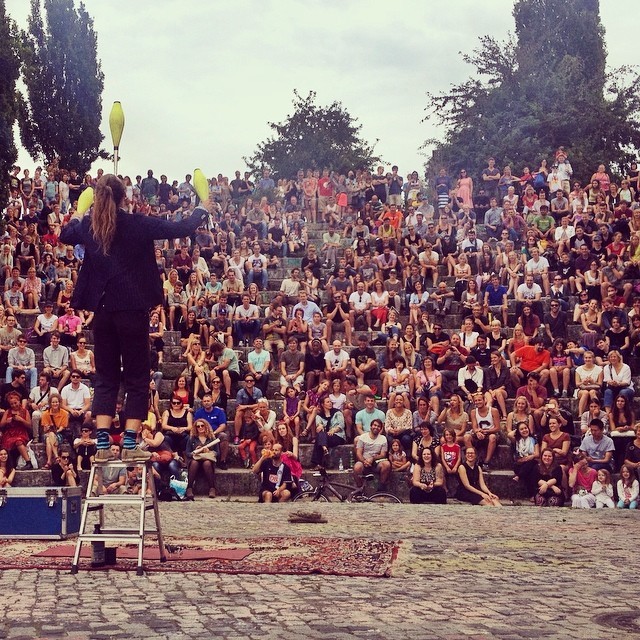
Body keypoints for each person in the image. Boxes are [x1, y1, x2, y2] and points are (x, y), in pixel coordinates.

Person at [59, 173, 209, 462]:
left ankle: (102, 444)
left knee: (105, 377)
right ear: (123, 197)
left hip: (102, 313)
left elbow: (66, 235)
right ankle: (129, 443)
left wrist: (80, 212)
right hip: (131, 312)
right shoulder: (137, 222)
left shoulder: (89, 226)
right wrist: (205, 206)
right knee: (138, 378)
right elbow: (183, 226)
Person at [185, 418, 218, 499]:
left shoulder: (211, 438)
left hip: (207, 459)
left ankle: (212, 488)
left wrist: (209, 451)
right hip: (196, 459)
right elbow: (187, 453)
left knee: (207, 463)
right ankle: (189, 488)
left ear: (206, 426)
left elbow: (217, 452)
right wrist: (195, 451)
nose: (200, 428)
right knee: (194, 463)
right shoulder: (192, 438)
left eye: (202, 425)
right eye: (198, 426)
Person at [353, 419, 390, 490]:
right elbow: (358, 453)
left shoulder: (383, 438)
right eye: (374, 425)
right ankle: (359, 489)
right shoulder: (363, 437)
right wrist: (365, 461)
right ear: (370, 426)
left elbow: (383, 455)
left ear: (381, 429)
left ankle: (381, 488)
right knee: (357, 467)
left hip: (377, 462)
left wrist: (372, 459)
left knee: (387, 464)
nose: (376, 427)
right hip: (363, 461)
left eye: (379, 426)